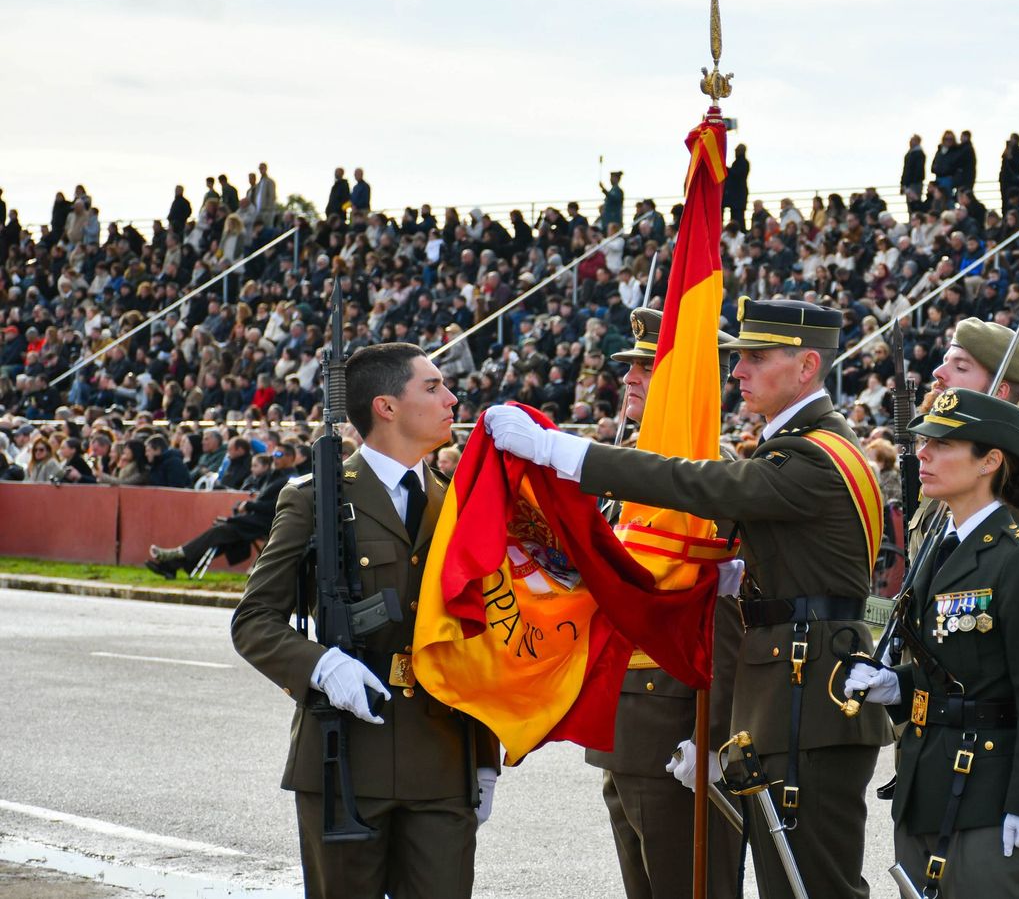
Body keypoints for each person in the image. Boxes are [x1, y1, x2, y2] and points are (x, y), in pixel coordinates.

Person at [482, 298, 892, 899]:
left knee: (809, 884)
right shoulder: (802, 445)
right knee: (787, 881)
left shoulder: (811, 453)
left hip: (802, 694)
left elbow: (696, 483)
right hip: (783, 692)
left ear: (807, 366)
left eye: (756, 357)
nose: (738, 370)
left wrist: (558, 451)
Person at [231, 342, 499, 898]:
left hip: (442, 757)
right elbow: (254, 619)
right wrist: (322, 667)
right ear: (387, 406)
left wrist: (484, 756)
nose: (452, 399)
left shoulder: (457, 504)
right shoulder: (316, 498)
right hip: (345, 756)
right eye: (433, 387)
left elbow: (479, 635)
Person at [845, 387, 1019, 898]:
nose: (922, 454)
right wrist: (897, 685)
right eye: (924, 442)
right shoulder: (938, 545)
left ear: (990, 461)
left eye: (942, 444)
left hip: (989, 792)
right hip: (926, 781)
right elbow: (954, 664)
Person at [585, 308, 743, 899]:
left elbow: (730, 611)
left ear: (689, 383)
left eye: (648, 368)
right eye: (631, 366)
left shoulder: (709, 477)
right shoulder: (635, 474)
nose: (629, 376)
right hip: (624, 723)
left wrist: (715, 737)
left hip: (677, 723)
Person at [919, 318, 1019, 573]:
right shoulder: (943, 462)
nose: (938, 372)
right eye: (945, 360)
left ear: (999, 391)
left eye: (960, 367)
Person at [147, 449, 294, 578]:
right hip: (252, 521)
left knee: (220, 532)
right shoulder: (274, 476)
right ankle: (172, 565)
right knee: (222, 534)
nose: (274, 457)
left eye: (278, 454)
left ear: (290, 457)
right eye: (273, 454)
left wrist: (249, 505)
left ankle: (176, 555)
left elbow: (274, 506)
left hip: (266, 525)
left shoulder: (290, 479)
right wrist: (246, 505)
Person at [725, 144, 750, 231]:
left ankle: (738, 231)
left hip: (738, 197)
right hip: (736, 197)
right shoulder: (738, 163)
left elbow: (737, 175)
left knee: (738, 217)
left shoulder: (743, 163)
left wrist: (727, 169)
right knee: (736, 216)